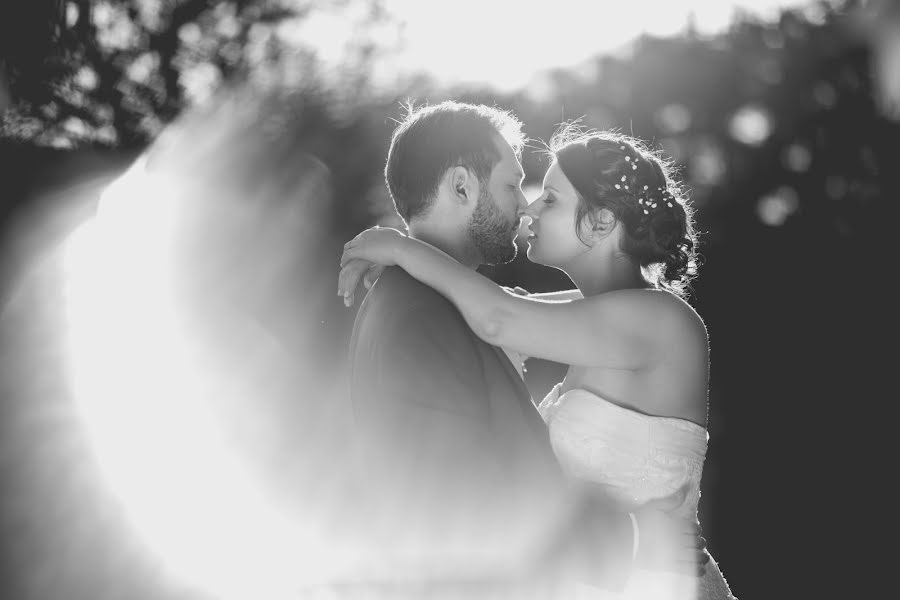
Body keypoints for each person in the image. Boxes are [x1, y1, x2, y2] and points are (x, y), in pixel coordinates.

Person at [340, 115, 737, 599]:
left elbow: (498, 318)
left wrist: (400, 247)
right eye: (520, 187)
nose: (528, 208)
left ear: (602, 220)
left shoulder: (658, 321)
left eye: (549, 199)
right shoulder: (588, 319)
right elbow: (499, 310)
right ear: (460, 186)